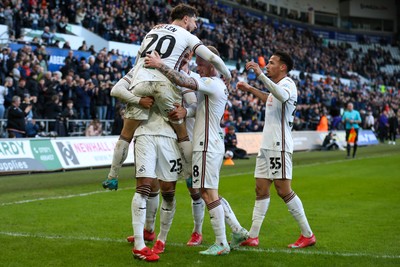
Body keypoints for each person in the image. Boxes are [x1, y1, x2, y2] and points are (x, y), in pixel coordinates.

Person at [108, 4, 232, 189]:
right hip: (164, 84)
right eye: (195, 21)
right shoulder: (187, 36)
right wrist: (228, 75)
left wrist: (138, 97)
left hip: (140, 80)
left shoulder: (151, 32)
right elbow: (212, 58)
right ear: (186, 19)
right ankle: (190, 174)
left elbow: (137, 62)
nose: (196, 26)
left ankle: (112, 176)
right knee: (182, 134)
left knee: (125, 135)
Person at [144, 46, 249, 256]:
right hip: (209, 143)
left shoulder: (211, 83)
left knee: (208, 193)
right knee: (208, 191)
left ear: (211, 65)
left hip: (207, 145)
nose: (197, 69)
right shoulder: (214, 86)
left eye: (200, 65)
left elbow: (184, 81)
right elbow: (200, 108)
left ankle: (221, 243)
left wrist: (159, 65)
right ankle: (237, 231)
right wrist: (186, 110)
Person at [235, 51, 316, 249]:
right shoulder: (277, 87)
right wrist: (249, 88)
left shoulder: (287, 84)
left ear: (283, 67)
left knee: (283, 189)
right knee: (261, 188)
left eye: (271, 63)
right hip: (267, 145)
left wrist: (260, 75)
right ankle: (253, 236)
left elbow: (280, 95)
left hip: (279, 145)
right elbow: (270, 98)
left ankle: (308, 234)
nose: (267, 65)